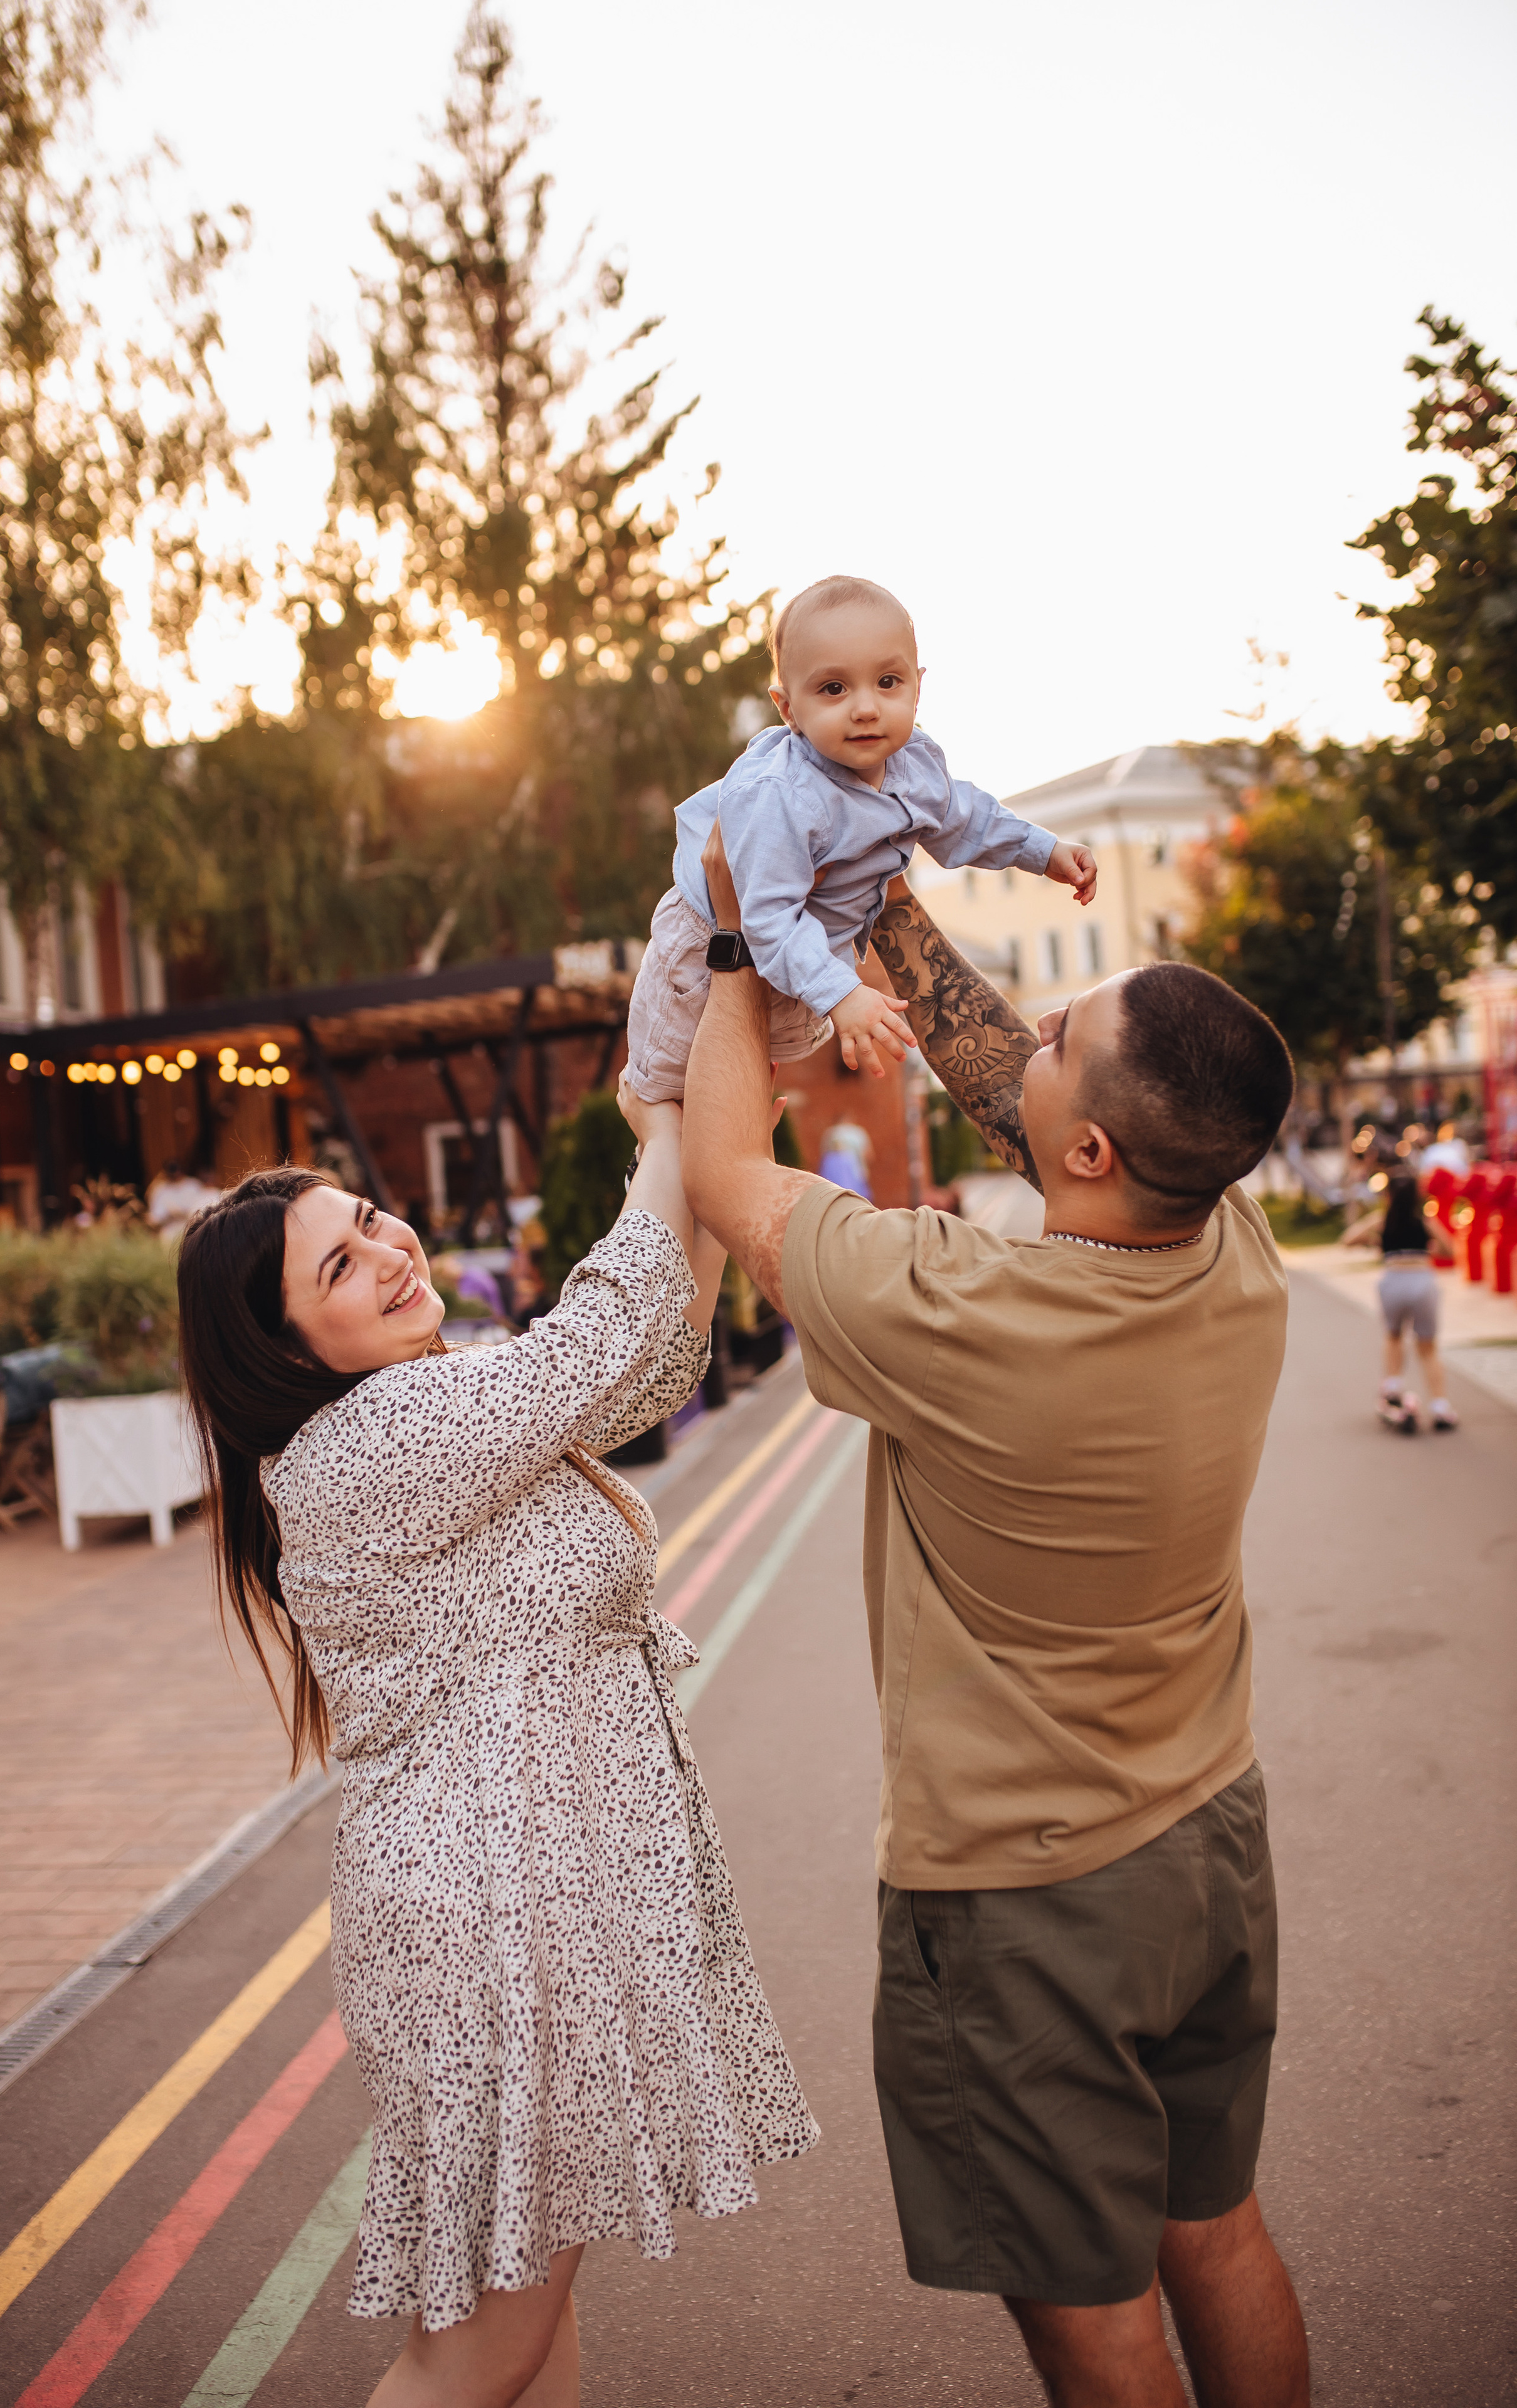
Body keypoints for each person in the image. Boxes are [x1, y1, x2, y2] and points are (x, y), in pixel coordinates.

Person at [682, 835, 1310, 2408]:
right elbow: (1013, 1083)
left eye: (1056, 1036)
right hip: (1204, 1842)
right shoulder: (1230, 1245)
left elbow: (720, 1172)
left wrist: (742, 931)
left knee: (1093, 2316)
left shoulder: (959, 1313)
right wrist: (880, 908)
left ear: (1088, 1151)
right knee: (1212, 2229)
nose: (1021, 1037)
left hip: (1029, 1907)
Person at [176, 1084, 817, 2408]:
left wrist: (696, 1155)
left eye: (370, 1221)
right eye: (339, 1266)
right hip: (485, 1935)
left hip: (529, 1907)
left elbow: (648, 1362)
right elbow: (595, 1340)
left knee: (528, 2305)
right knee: (475, 2351)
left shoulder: (438, 1397)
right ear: (282, 1347)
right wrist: (665, 1126)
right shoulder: (369, 1441)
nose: (391, 1251)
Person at [624, 575, 1097, 1101]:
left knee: (729, 1106)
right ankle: (653, 1163)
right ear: (787, 709)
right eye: (834, 689)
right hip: (707, 949)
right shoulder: (786, 794)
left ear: (919, 686)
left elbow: (968, 816)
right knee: (666, 1102)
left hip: (796, 960)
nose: (866, 708)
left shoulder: (914, 764)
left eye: (888, 682)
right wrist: (843, 995)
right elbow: (768, 918)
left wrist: (1045, 851)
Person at [1343, 1161, 1459, 1431]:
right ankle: (1440, 1407)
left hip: (1393, 1279)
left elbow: (1348, 1239)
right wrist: (1427, 1248)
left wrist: (1374, 1240)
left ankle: (1393, 1386)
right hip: (1422, 1279)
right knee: (1428, 1347)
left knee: (1394, 1336)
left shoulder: (1383, 1221)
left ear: (1389, 1195)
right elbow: (1450, 1250)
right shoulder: (1424, 1221)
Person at [818, 1117, 874, 1200]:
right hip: (854, 1170)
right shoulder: (857, 1132)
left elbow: (823, 1152)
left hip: (833, 1172)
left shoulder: (831, 1132)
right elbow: (868, 1155)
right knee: (856, 1197)